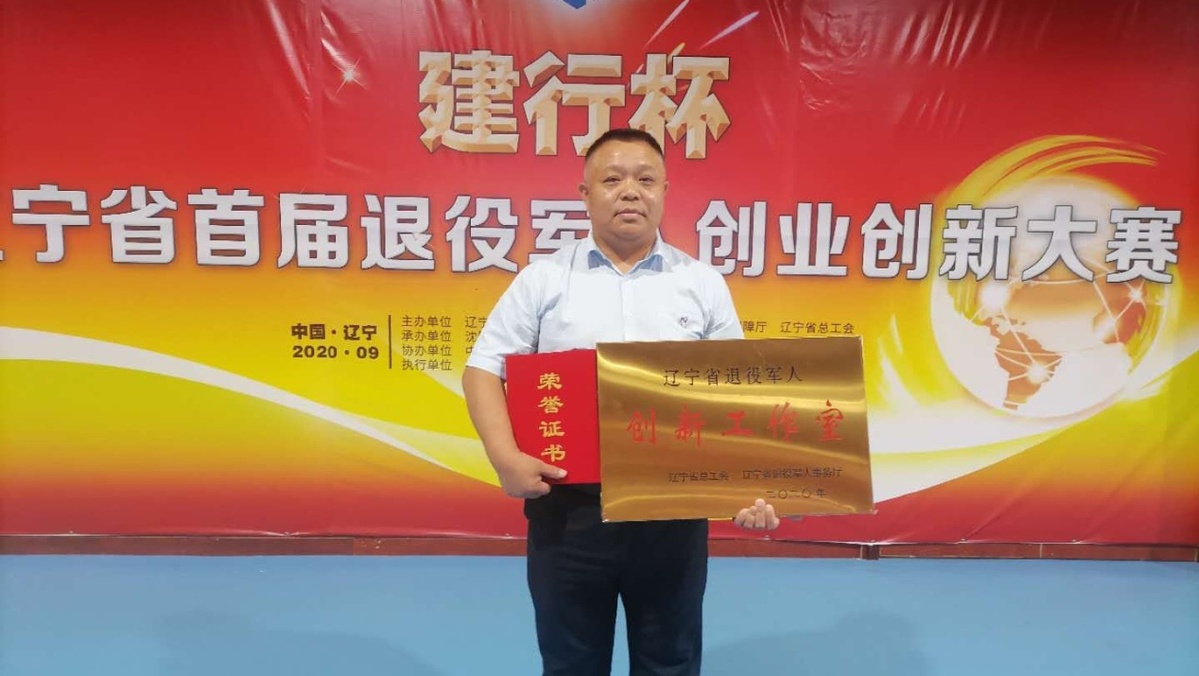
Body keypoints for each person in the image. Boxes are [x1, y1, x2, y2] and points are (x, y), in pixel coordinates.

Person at [462, 127, 779, 676]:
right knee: (570, 662)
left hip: (672, 510)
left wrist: (747, 484)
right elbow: (482, 369)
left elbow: (734, 391)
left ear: (665, 192)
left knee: (670, 661)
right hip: (569, 510)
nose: (630, 191)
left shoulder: (701, 283)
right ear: (585, 194)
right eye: (612, 179)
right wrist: (504, 457)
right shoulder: (542, 281)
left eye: (645, 179)